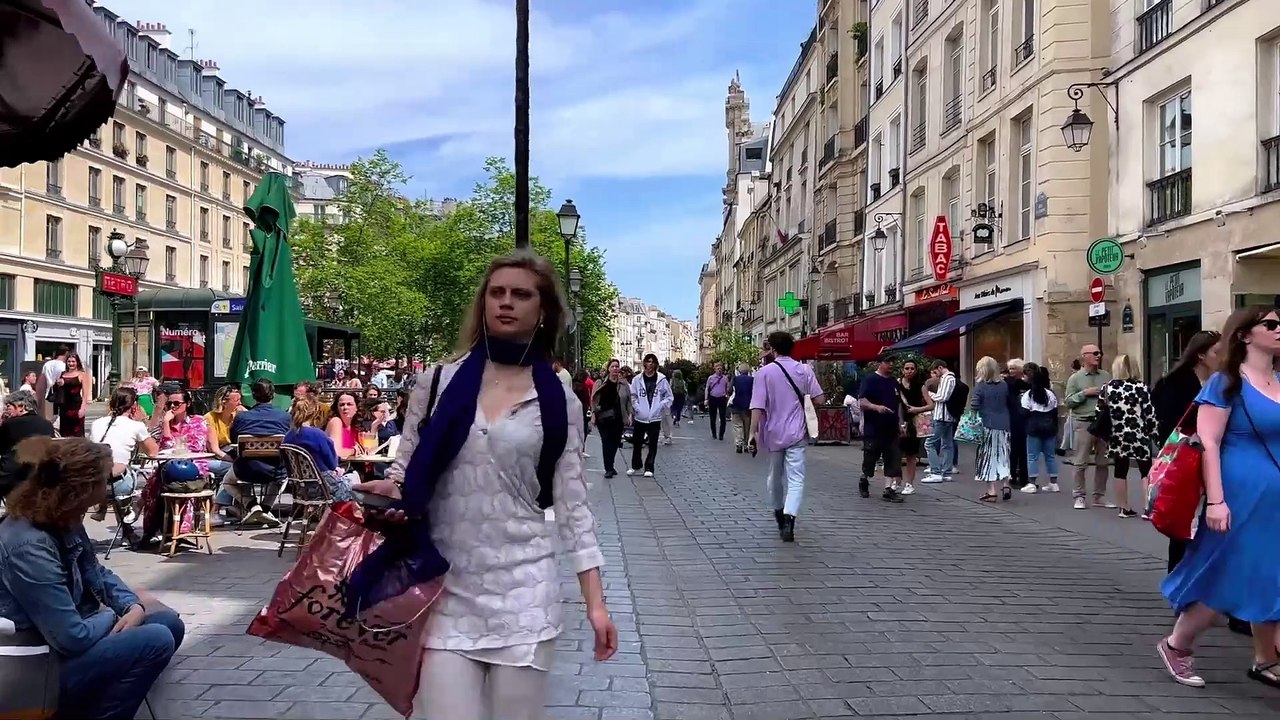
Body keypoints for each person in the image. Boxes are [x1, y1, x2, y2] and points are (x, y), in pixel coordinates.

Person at [345, 250, 617, 719]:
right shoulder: (436, 383)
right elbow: (404, 469)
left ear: (543, 310)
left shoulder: (558, 401)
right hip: (443, 591)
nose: (505, 302)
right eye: (496, 293)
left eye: (520, 294)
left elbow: (574, 509)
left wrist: (596, 605)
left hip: (526, 593)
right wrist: (390, 493)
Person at [0, 436, 185, 719]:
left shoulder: (63, 517)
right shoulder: (29, 545)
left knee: (167, 623)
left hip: (66, 641)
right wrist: (115, 616)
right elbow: (70, 638)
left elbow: (96, 572)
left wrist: (131, 606)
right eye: (103, 480)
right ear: (83, 488)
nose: (108, 486)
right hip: (37, 666)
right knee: (155, 639)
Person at [1159, 306, 1280, 689]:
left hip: (1273, 494)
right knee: (1224, 572)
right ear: (1245, 335)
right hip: (1239, 492)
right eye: (1272, 325)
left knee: (1270, 573)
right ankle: (1177, 644)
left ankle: (1266, 657)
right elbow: (1209, 441)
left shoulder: (1278, 380)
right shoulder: (1226, 382)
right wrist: (1216, 500)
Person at [1151, 330, 1222, 567]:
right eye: (1217, 352)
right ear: (1201, 355)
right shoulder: (1176, 383)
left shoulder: (1222, 382)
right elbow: (1170, 427)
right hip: (1186, 461)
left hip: (1216, 459)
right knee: (1183, 523)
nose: (1222, 357)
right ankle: (1178, 576)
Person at [749, 331, 827, 540]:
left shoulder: (764, 373)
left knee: (774, 476)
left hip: (773, 432)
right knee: (796, 477)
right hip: (797, 432)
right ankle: (789, 519)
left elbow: (757, 405)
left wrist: (752, 433)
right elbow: (819, 400)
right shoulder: (804, 369)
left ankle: (778, 511)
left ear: (773, 349)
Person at [86, 387, 159, 533]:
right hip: (118, 485)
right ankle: (127, 522)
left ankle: (103, 507)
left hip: (93, 485)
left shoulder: (97, 423)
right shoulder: (136, 426)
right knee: (134, 473)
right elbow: (153, 452)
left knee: (106, 467)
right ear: (134, 407)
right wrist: (143, 422)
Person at [223, 379, 291, 527]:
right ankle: (266, 509)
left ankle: (253, 506)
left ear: (253, 396)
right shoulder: (284, 417)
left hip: (246, 470)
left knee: (227, 482)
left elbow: (234, 440)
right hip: (274, 471)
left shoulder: (242, 417)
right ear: (272, 395)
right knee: (285, 476)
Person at [1099, 354, 1157, 518]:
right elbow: (1149, 413)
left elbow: (1100, 410)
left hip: (1117, 434)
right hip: (1138, 433)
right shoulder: (1141, 387)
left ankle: (1123, 507)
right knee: (1145, 470)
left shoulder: (1108, 387)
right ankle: (1148, 508)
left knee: (1120, 469)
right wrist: (1154, 433)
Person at [281, 395, 355, 502]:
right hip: (323, 487)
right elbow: (333, 463)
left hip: (300, 487)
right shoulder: (318, 435)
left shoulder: (288, 436)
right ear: (314, 412)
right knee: (354, 480)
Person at [1065, 343, 1112, 510]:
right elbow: (1068, 402)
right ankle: (1079, 496)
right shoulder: (1075, 378)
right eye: (1094, 353)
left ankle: (1099, 496)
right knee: (1081, 461)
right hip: (1084, 422)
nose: (1098, 356)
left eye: (1099, 353)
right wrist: (1085, 393)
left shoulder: (1106, 375)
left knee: (1103, 462)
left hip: (1103, 422)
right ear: (1084, 356)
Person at [857, 355, 905, 503]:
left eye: (893, 362)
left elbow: (898, 405)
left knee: (893, 458)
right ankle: (864, 479)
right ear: (879, 363)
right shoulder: (870, 380)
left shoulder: (893, 382)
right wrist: (876, 407)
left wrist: (900, 424)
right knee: (870, 458)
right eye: (887, 362)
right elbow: (862, 402)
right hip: (874, 427)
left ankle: (888, 489)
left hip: (891, 428)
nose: (891, 365)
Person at [971, 356, 1013, 503]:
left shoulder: (981, 385)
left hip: (987, 424)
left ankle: (992, 491)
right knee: (1003, 455)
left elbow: (975, 405)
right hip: (1004, 423)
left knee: (988, 457)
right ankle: (1006, 484)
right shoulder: (1003, 385)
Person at [0, 390, 55, 500]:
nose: (6, 411)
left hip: (13, 476)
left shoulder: (11, 424)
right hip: (41, 476)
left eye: (8, 406)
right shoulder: (47, 425)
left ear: (21, 407)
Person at [629, 354, 673, 477]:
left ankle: (649, 467)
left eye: (652, 362)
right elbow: (633, 395)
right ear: (644, 364)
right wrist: (636, 407)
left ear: (656, 365)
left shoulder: (661, 379)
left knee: (652, 443)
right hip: (640, 416)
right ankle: (636, 465)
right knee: (637, 442)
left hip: (654, 416)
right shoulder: (637, 379)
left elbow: (669, 396)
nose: (650, 364)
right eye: (648, 362)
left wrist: (661, 406)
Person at [1021, 365, 1060, 494]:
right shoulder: (1050, 394)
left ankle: (1032, 483)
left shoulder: (1028, 395)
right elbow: (1055, 411)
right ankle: (1053, 483)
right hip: (1049, 427)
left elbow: (1024, 413)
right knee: (1050, 456)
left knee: (1032, 456)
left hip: (1034, 427)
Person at [923, 360, 962, 483]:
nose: (935, 374)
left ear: (940, 368)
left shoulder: (947, 378)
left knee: (929, 443)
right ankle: (946, 472)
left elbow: (942, 397)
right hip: (947, 416)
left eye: (935, 371)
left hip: (942, 416)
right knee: (947, 444)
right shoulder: (951, 378)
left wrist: (929, 394)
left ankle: (935, 471)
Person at [897, 360, 932, 496]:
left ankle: (909, 483)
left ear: (916, 370)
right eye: (907, 368)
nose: (909, 371)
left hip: (914, 423)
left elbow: (931, 404)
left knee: (911, 455)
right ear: (903, 370)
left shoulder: (920, 386)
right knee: (896, 453)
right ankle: (896, 481)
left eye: (912, 368)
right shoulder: (897, 386)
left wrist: (917, 409)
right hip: (899, 421)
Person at [591, 359, 631, 478]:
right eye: (613, 366)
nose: (615, 368)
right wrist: (593, 414)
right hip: (603, 418)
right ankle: (608, 468)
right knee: (606, 441)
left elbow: (629, 401)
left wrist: (630, 415)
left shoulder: (623, 384)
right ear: (608, 368)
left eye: (617, 366)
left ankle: (611, 465)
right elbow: (593, 400)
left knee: (615, 442)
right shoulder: (599, 383)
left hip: (618, 418)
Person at [203, 384, 242, 483]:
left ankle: (242, 498)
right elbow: (215, 450)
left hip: (229, 454)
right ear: (224, 402)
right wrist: (235, 462)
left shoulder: (236, 416)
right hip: (212, 458)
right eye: (236, 401)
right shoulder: (210, 418)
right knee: (234, 470)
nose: (240, 403)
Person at [1004, 359, 1031, 489]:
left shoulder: (1027, 384)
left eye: (1014, 368)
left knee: (1024, 449)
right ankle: (1013, 473)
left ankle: (1023, 475)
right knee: (1014, 448)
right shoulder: (1007, 383)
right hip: (1012, 418)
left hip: (1026, 418)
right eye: (1010, 368)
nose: (1011, 371)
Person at [54, 352, 91, 438]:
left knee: (77, 432)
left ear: (77, 362)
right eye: (69, 361)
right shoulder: (62, 374)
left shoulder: (82, 375)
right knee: (64, 432)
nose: (71, 364)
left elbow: (85, 394)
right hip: (64, 407)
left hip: (76, 406)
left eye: (73, 361)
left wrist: (82, 409)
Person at [33, 344, 67, 422]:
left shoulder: (47, 364)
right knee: (59, 417)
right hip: (59, 394)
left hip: (48, 393)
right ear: (65, 354)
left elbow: (43, 379)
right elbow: (62, 380)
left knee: (49, 417)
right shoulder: (63, 365)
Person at [729, 362, 754, 453]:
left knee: (737, 425)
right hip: (748, 406)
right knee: (747, 426)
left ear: (739, 371)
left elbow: (729, 390)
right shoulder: (752, 380)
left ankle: (739, 444)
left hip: (736, 405)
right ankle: (746, 445)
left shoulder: (735, 379)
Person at [704, 362, 730, 441]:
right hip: (713, 398)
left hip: (722, 398)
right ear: (714, 369)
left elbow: (727, 388)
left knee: (723, 417)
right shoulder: (711, 378)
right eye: (718, 369)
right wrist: (706, 399)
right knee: (713, 417)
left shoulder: (725, 378)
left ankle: (721, 434)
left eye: (720, 369)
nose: (719, 370)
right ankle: (714, 433)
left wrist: (728, 397)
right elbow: (707, 388)